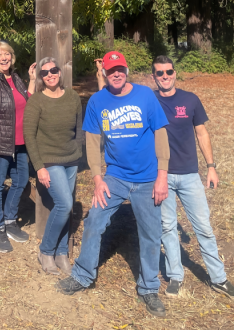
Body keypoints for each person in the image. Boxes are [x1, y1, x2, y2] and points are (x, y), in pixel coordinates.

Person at [57, 51, 171, 319]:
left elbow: (161, 135)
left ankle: (148, 288)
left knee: (151, 234)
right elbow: (93, 142)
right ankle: (83, 276)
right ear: (104, 73)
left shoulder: (145, 96)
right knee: (95, 219)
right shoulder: (98, 101)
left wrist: (162, 175)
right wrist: (98, 179)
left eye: (120, 68)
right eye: (111, 70)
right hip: (115, 177)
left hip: (147, 178)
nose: (116, 73)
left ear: (127, 69)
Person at [151, 55, 234, 302]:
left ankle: (219, 279)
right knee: (167, 227)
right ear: (154, 76)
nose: (165, 77)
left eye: (168, 72)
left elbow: (202, 133)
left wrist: (211, 167)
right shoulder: (148, 100)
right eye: (160, 73)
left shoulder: (190, 100)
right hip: (161, 176)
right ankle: (175, 275)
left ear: (175, 73)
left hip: (190, 175)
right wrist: (100, 77)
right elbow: (117, 99)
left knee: (203, 227)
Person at [23, 57, 82, 276]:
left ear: (60, 72)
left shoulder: (73, 97)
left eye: (53, 70)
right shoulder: (36, 101)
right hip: (49, 160)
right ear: (40, 77)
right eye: (45, 72)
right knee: (65, 204)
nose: (50, 75)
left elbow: (78, 129)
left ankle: (61, 253)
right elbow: (29, 135)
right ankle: (46, 251)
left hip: (71, 160)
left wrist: (78, 151)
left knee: (68, 206)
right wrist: (39, 167)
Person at [0, 40, 36, 253]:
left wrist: (31, 81)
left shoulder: (15, 77)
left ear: (12, 57)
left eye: (7, 54)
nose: (3, 58)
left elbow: (26, 102)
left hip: (21, 141)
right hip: (1, 141)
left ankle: (10, 220)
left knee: (21, 179)